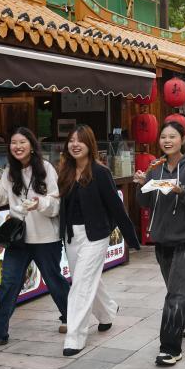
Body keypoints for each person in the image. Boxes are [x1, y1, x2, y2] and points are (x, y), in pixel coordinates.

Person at [0, 128, 69, 347]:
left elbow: (56, 203)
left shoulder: (46, 168)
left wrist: (39, 204)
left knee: (54, 279)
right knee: (9, 282)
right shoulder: (9, 171)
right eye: (14, 143)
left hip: (45, 237)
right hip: (18, 238)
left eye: (22, 142)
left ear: (32, 145)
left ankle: (72, 317)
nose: (17, 147)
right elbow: (0, 200)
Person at [58, 125, 141, 356]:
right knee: (85, 279)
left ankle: (75, 336)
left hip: (95, 236)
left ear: (90, 144)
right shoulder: (65, 171)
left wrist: (132, 239)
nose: (75, 144)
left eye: (80, 140)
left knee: (80, 285)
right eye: (71, 140)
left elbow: (116, 207)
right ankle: (107, 312)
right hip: (71, 236)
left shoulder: (100, 172)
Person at [134, 122, 185, 367]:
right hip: (162, 237)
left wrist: (181, 191)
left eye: (172, 136)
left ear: (182, 139)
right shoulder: (156, 167)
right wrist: (142, 183)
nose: (167, 141)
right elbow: (145, 202)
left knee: (175, 294)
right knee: (177, 287)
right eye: (163, 137)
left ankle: (169, 348)